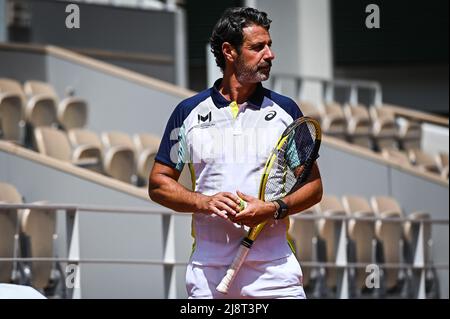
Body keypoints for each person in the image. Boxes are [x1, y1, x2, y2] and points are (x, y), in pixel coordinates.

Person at [148, 7, 323, 299]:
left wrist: (273, 209)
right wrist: (204, 202)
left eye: (270, 45)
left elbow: (314, 187)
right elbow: (158, 183)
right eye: (258, 47)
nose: (270, 54)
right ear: (229, 52)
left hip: (275, 271)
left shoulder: (287, 111)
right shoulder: (187, 112)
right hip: (208, 271)